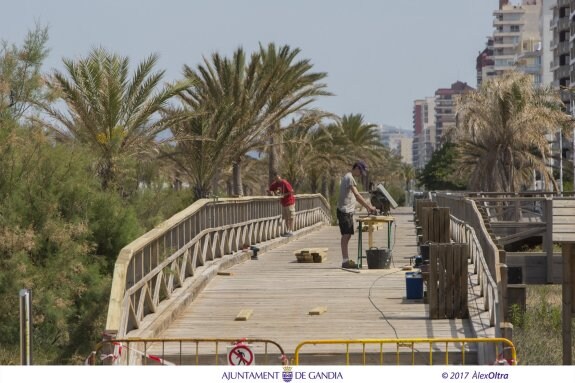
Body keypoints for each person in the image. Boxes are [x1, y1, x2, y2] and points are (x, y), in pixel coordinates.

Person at [337, 160, 377, 269]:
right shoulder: (349, 178)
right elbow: (357, 195)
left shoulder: (349, 177)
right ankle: (345, 261)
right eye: (360, 171)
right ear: (357, 168)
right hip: (344, 211)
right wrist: (369, 207)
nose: (360, 174)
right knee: (346, 235)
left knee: (347, 235)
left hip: (346, 211)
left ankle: (346, 259)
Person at [267, 172, 296, 237]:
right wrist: (270, 192)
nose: (277, 179)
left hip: (289, 202)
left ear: (280, 177)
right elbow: (270, 189)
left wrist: (284, 195)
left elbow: (291, 191)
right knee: (285, 217)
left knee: (291, 217)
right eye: (275, 178)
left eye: (278, 178)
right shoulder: (275, 184)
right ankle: (287, 230)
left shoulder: (284, 183)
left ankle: (291, 230)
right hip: (283, 203)